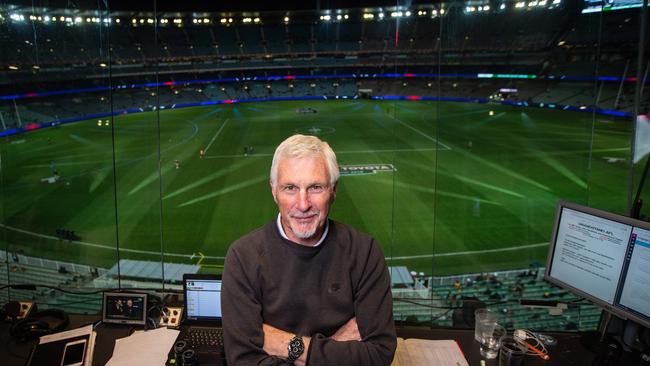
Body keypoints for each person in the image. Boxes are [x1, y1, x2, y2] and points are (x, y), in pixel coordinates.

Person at [222, 134, 396, 366]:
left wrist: (283, 344)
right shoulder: (242, 257)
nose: (303, 204)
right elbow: (243, 361)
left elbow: (378, 355)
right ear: (274, 191)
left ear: (333, 190)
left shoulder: (365, 252)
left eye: (315, 187)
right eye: (290, 188)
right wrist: (335, 344)